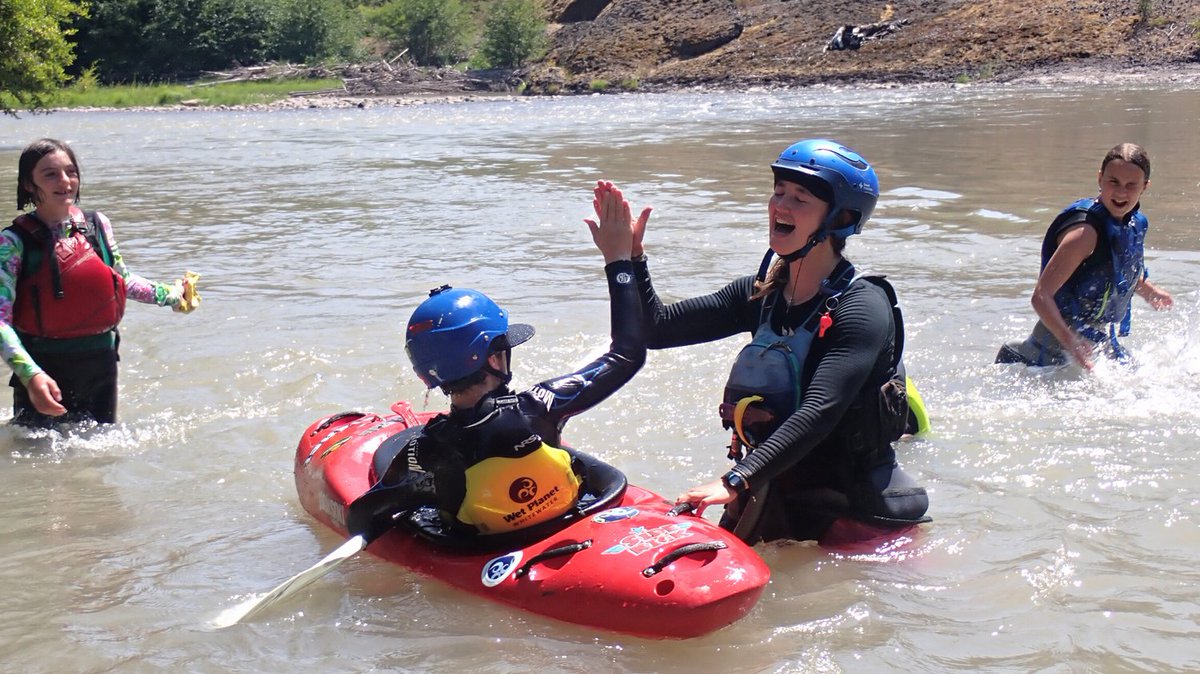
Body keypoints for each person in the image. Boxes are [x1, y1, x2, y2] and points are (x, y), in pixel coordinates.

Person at [615, 138, 930, 545]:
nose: (780, 206)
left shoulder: (862, 306)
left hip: (857, 510)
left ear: (841, 217)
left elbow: (820, 411)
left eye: (800, 198)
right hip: (773, 492)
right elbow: (651, 330)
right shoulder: (761, 295)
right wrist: (626, 262)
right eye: (778, 192)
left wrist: (736, 479)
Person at [346, 185, 644, 540]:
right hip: (568, 522)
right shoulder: (542, 405)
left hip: (482, 547)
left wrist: (416, 495)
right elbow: (627, 353)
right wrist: (619, 260)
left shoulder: (427, 450)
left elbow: (363, 516)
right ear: (494, 356)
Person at [3, 138, 197, 427]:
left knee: (96, 463)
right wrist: (31, 375)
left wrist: (172, 294)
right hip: (43, 371)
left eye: (71, 171)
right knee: (38, 459)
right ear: (29, 185)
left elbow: (122, 281)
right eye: (50, 174)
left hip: (101, 367)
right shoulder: (12, 243)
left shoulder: (98, 225)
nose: (65, 181)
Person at [996, 142, 1172, 369]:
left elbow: (1112, 269)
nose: (1121, 192)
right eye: (1113, 182)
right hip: (1043, 356)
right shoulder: (1084, 234)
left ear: (1145, 187)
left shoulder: (1133, 223)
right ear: (1100, 178)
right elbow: (1041, 296)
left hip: (1095, 343)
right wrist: (1070, 340)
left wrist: (1146, 289)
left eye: (1131, 185)